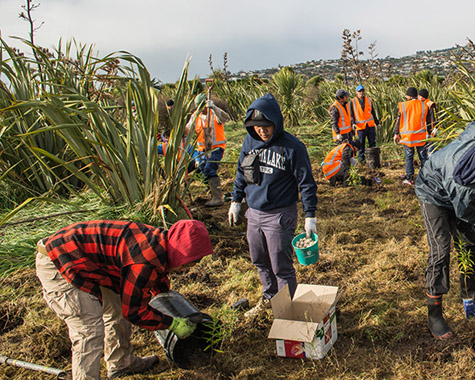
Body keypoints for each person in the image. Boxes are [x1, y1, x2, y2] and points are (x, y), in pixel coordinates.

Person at [35, 219, 214, 380]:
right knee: (89, 329)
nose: (187, 270)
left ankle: (121, 363)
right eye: (188, 264)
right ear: (180, 252)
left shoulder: (162, 243)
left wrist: (164, 297)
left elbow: (154, 281)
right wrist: (172, 324)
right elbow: (135, 312)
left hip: (90, 262)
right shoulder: (146, 260)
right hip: (60, 260)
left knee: (117, 308)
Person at [414, 121, 475, 340]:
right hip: (434, 195)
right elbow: (464, 211)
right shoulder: (464, 182)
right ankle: (435, 316)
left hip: (457, 194)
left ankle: (471, 293)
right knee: (440, 251)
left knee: (470, 243)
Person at [229, 93, 318, 316]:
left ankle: (288, 311)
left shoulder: (293, 147)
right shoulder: (250, 142)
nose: (262, 131)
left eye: (266, 126)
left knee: (281, 266)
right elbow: (241, 172)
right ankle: (269, 298)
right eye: (257, 127)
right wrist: (235, 200)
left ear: (276, 122)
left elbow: (306, 183)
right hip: (254, 212)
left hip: (279, 214)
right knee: (260, 259)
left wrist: (310, 215)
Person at [184, 94, 231, 207]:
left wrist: (214, 107)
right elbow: (188, 130)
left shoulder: (214, 113)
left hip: (216, 148)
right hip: (203, 149)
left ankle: (217, 198)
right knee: (203, 169)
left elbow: (226, 118)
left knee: (210, 169)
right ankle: (211, 190)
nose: (201, 109)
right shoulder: (196, 115)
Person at [394, 87, 429, 185]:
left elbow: (398, 120)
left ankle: (410, 179)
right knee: (423, 158)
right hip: (421, 137)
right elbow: (429, 121)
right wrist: (430, 133)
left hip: (408, 137)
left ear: (409, 96)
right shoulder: (424, 105)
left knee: (409, 157)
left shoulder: (403, 106)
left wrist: (396, 133)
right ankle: (426, 177)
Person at [349, 85, 379, 163]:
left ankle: (373, 160)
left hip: (370, 125)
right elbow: (351, 114)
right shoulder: (352, 102)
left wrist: (377, 123)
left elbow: (373, 112)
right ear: (356, 92)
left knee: (372, 143)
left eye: (362, 91)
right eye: (359, 91)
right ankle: (361, 161)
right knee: (361, 145)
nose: (361, 93)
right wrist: (353, 123)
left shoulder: (369, 100)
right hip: (360, 127)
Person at [418, 89, 438, 155]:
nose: (418, 97)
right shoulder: (420, 104)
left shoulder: (430, 104)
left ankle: (431, 164)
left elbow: (434, 116)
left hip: (430, 131)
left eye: (419, 96)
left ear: (423, 97)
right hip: (423, 132)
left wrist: (435, 127)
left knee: (430, 151)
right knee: (424, 151)